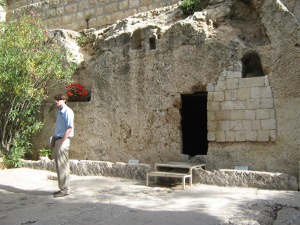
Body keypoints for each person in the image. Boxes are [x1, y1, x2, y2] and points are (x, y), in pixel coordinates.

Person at [53, 93, 74, 198]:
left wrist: (62, 141)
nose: (56, 101)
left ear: (64, 100)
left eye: (58, 100)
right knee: (59, 165)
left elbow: (69, 127)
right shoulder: (59, 111)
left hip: (63, 140)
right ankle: (62, 188)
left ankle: (65, 189)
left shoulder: (67, 111)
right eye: (56, 100)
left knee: (63, 165)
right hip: (58, 140)